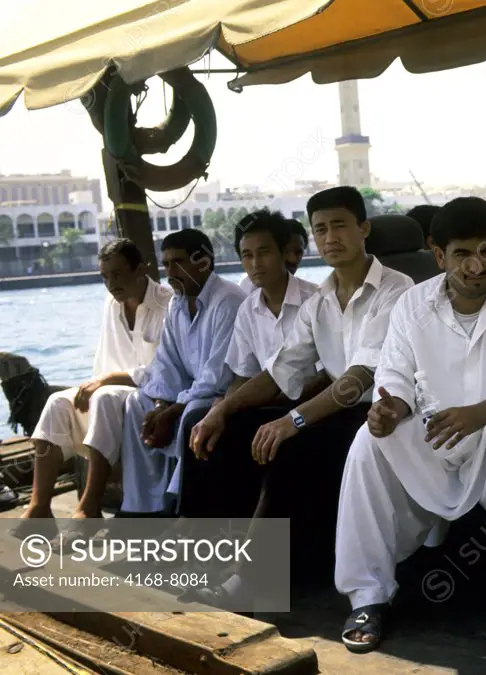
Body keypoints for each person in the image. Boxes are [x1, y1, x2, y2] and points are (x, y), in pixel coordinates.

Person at [334, 197, 486, 665]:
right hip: (439, 438)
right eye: (462, 254)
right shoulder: (412, 304)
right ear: (439, 256)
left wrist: (483, 411)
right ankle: (368, 595)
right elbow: (394, 373)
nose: (478, 266)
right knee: (367, 442)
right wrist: (390, 407)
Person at [184, 187, 413, 604]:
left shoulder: (398, 290)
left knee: (293, 442)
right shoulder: (320, 302)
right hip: (337, 415)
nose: (330, 237)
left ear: (364, 228)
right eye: (321, 229)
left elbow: (359, 377)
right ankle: (212, 560)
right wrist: (222, 408)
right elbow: (280, 373)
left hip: (386, 417)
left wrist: (294, 420)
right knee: (225, 431)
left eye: (340, 225)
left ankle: (251, 584)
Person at [15, 239, 172, 538]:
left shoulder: (168, 303)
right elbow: (104, 359)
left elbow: (163, 371)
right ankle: (39, 507)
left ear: (140, 269)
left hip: (152, 394)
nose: (111, 284)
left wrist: (106, 381)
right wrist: (95, 384)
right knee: (58, 403)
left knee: (105, 399)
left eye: (117, 274)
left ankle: (90, 507)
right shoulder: (111, 306)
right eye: (105, 277)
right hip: (112, 390)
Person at [118, 229, 247, 515]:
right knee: (137, 404)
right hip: (188, 393)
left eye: (178, 262)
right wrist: (161, 404)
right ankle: (142, 507)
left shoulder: (228, 300)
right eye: (165, 265)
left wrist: (172, 410)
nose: (169, 272)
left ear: (203, 262)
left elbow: (218, 378)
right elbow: (167, 362)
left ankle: (182, 504)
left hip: (222, 395)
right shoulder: (177, 302)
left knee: (193, 413)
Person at [223, 210, 319, 397]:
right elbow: (243, 376)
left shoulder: (316, 300)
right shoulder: (247, 310)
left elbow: (326, 375)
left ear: (284, 253)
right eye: (247, 255)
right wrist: (223, 408)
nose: (255, 263)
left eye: (263, 253)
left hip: (312, 407)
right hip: (265, 405)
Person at [238, 217, 308, 294]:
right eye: (287, 251)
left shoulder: (314, 297)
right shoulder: (246, 294)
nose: (293, 259)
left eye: (298, 252)